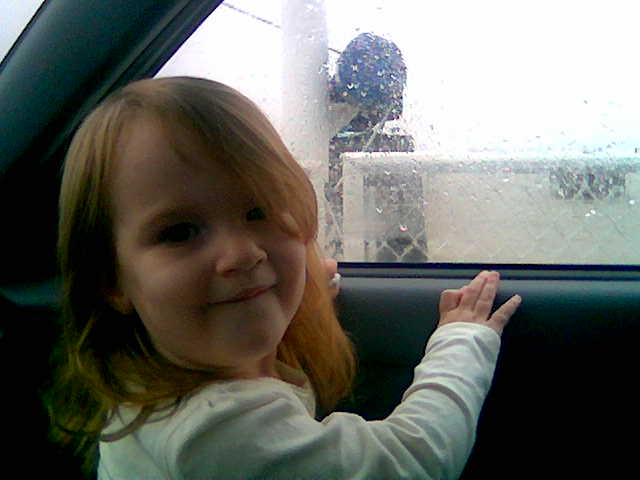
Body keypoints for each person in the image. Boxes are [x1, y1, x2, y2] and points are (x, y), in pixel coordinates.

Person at [48, 76, 522, 479]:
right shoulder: (216, 433)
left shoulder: (147, 381)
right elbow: (413, 462)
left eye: (258, 211)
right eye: (179, 232)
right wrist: (462, 341)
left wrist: (301, 286)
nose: (243, 254)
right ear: (110, 278)